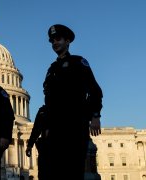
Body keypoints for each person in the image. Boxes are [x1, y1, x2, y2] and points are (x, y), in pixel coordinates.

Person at [27, 24, 103, 180]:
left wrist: (95, 115)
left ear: (68, 41)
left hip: (73, 126)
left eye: (58, 39)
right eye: (52, 40)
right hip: (54, 130)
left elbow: (94, 90)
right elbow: (49, 102)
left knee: (72, 171)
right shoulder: (51, 69)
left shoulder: (79, 62)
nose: (55, 43)